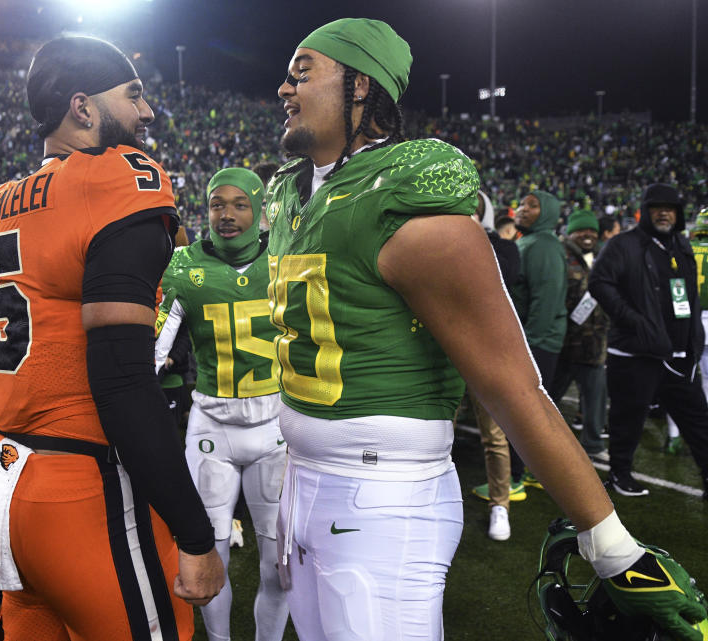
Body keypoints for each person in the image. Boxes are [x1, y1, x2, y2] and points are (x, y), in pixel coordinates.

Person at [269, 19, 707, 641]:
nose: (284, 89)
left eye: (302, 71)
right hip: (302, 480)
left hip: (381, 495)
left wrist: (611, 547)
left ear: (360, 85)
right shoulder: (293, 195)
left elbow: (513, 386)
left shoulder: (405, 199)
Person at [0, 35, 224, 641]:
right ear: (83, 108)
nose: (147, 113)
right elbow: (124, 381)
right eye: (133, 95)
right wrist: (195, 533)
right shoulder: (116, 179)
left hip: (4, 483)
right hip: (86, 485)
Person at [155, 167, 289, 641]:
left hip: (278, 427)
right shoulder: (183, 267)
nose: (226, 215)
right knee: (208, 560)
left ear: (259, 210)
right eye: (217, 204)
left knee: (280, 568)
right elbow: (151, 351)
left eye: (239, 204)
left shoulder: (287, 259)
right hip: (213, 425)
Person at [588, 184, 708, 498]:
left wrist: (694, 336)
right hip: (635, 353)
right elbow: (599, 282)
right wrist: (633, 320)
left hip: (680, 353)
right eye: (657, 207)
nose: (664, 212)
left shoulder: (681, 244)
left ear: (679, 213)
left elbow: (688, 296)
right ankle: (619, 475)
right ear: (646, 210)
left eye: (670, 207)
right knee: (628, 419)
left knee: (699, 421)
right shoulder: (624, 244)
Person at [468, 190, 522, 541]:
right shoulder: (432, 241)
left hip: (483, 350)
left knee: (494, 435)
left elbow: (505, 283)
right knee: (432, 428)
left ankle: (499, 505)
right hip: (438, 350)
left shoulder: (502, 247)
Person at [508, 190, 568, 487]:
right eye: (522, 202)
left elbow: (545, 301)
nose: (522, 208)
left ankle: (516, 477)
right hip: (535, 340)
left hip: (536, 342)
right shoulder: (532, 241)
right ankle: (532, 471)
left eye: (532, 205)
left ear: (548, 213)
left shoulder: (542, 245)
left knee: (525, 414)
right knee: (532, 413)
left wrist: (526, 346)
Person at [549, 209, 609, 462]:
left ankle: (593, 445)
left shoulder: (602, 256)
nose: (588, 235)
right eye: (582, 230)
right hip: (563, 342)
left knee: (596, 398)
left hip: (594, 342)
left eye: (592, 231)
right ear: (570, 232)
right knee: (548, 399)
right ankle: (538, 440)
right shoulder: (559, 255)